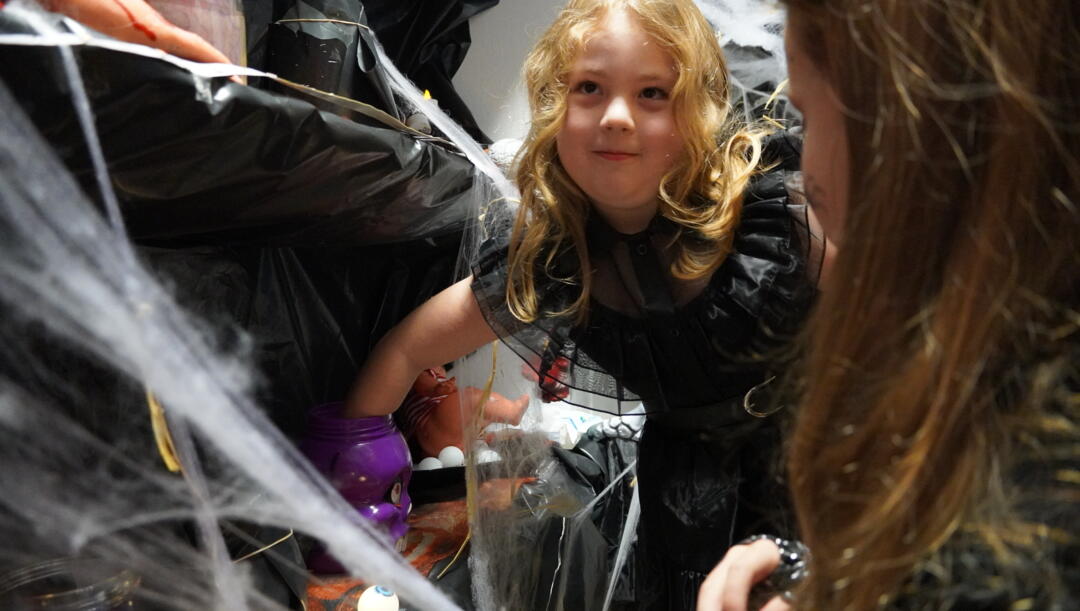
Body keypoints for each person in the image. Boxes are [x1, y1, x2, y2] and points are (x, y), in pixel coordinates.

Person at [342, 0, 821, 606]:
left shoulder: (770, 219)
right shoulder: (556, 260)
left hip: (819, 472)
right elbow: (408, 349)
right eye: (589, 88)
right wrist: (351, 467)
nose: (616, 117)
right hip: (684, 504)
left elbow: (896, 344)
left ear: (697, 110)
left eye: (653, 93)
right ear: (553, 105)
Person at [698, 0, 1079, 609]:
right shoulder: (1009, 360)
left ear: (906, 135)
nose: (804, 164)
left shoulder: (1017, 531)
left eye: (807, 116)